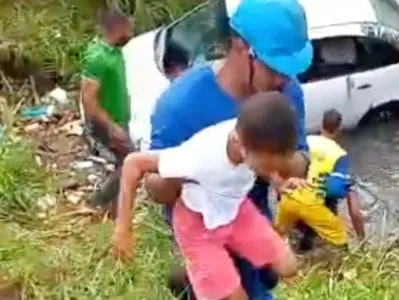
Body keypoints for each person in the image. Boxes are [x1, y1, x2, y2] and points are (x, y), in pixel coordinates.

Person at [145, 0, 312, 299]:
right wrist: (192, 168)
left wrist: (275, 160)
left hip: (250, 215)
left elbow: (300, 159)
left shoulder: (286, 93)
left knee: (272, 275)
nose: (282, 80)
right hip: (202, 225)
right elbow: (155, 189)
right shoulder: (180, 107)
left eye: (289, 71)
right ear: (240, 46)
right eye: (274, 68)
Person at [113, 92, 300, 300]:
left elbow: (264, 164)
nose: (270, 169)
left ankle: (202, 275)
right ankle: (193, 278)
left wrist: (278, 180)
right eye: (267, 165)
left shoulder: (254, 136)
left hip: (235, 210)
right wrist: (124, 229)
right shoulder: (200, 155)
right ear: (242, 147)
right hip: (197, 224)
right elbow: (133, 163)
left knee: (288, 267)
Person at [276, 109, 365, 251]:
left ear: (321, 125)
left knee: (276, 238)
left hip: (288, 198)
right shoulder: (340, 155)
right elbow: (338, 193)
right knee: (340, 236)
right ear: (339, 129)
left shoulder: (305, 141)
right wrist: (362, 240)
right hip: (311, 205)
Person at [80, 8, 135, 215]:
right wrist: (111, 127)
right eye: (130, 26)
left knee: (126, 163)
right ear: (119, 27)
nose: (132, 31)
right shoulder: (98, 57)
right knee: (130, 164)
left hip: (118, 120)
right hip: (106, 124)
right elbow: (88, 99)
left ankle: (111, 208)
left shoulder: (113, 51)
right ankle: (99, 202)